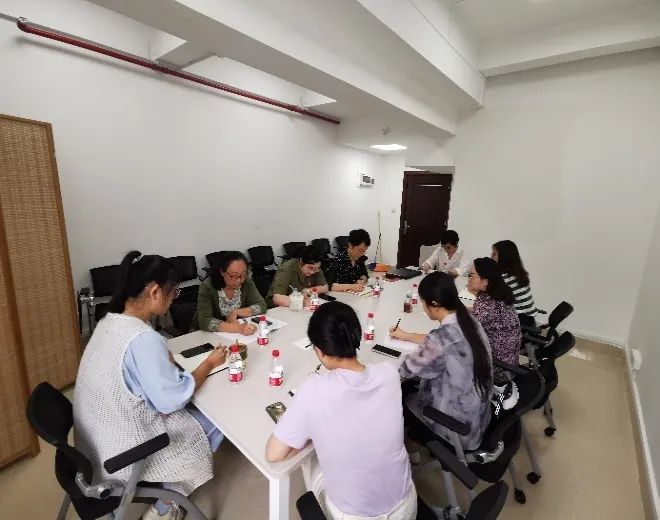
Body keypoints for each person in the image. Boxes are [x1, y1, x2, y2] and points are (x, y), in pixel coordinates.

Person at [74, 251, 227, 520]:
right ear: (155, 291)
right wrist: (210, 363)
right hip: (120, 451)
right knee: (216, 418)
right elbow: (172, 401)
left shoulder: (109, 322)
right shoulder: (143, 338)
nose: (174, 298)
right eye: (174, 292)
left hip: (92, 441)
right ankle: (165, 506)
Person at [265, 302, 416, 520]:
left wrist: (310, 435)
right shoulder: (389, 373)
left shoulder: (313, 389)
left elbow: (274, 454)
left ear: (319, 351)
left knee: (309, 459)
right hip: (406, 506)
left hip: (355, 516)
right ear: (357, 337)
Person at [390, 272, 492, 451]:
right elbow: (444, 343)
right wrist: (407, 336)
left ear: (434, 304)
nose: (423, 307)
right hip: (478, 417)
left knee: (398, 395)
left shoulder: (439, 340)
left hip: (456, 429)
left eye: (423, 302)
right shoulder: (470, 322)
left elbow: (403, 370)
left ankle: (409, 449)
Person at [468, 258, 522, 385]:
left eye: (472, 276)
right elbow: (477, 315)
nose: (468, 279)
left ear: (485, 281)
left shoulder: (488, 306)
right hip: (509, 362)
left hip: (497, 369)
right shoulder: (495, 296)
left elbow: (464, 334)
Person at [191, 251, 266, 335]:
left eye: (243, 274)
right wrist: (239, 328)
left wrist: (237, 312)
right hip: (204, 334)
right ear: (222, 272)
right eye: (233, 276)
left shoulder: (246, 282)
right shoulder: (207, 286)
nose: (239, 280)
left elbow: (262, 305)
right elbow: (205, 321)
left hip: (234, 333)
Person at [491, 240, 538, 318]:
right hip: (530, 316)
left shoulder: (506, 279)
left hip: (521, 319)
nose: (491, 257)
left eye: (494, 254)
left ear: (504, 257)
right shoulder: (518, 273)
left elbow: (492, 304)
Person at [326, 228, 370, 293]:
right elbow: (328, 286)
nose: (362, 254)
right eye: (360, 250)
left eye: (364, 251)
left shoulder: (360, 259)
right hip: (339, 296)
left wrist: (362, 279)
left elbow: (364, 274)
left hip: (355, 295)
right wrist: (350, 286)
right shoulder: (338, 260)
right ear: (350, 245)